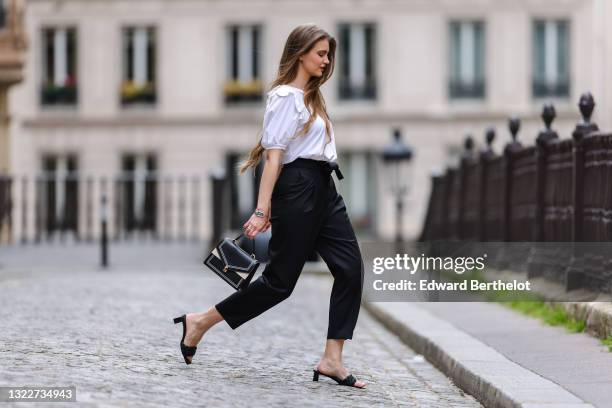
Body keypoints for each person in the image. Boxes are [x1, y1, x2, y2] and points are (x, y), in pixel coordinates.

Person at [173, 23, 366, 389]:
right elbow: (274, 158)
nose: (327, 62)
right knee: (279, 282)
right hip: (297, 189)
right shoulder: (283, 98)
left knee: (351, 268)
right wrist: (263, 210)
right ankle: (199, 322)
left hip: (325, 189)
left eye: (328, 55)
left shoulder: (312, 98)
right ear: (301, 53)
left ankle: (332, 359)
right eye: (321, 54)